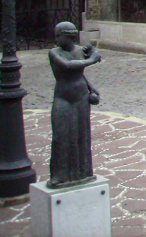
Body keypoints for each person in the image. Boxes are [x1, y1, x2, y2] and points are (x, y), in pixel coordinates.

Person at [47, 22, 102, 188]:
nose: (56, 39)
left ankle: (83, 172)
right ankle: (59, 175)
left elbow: (79, 75)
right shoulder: (54, 53)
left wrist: (92, 89)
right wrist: (92, 59)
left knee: (81, 135)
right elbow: (68, 66)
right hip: (63, 98)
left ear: (69, 36)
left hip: (81, 97)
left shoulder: (80, 51)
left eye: (59, 35)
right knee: (60, 136)